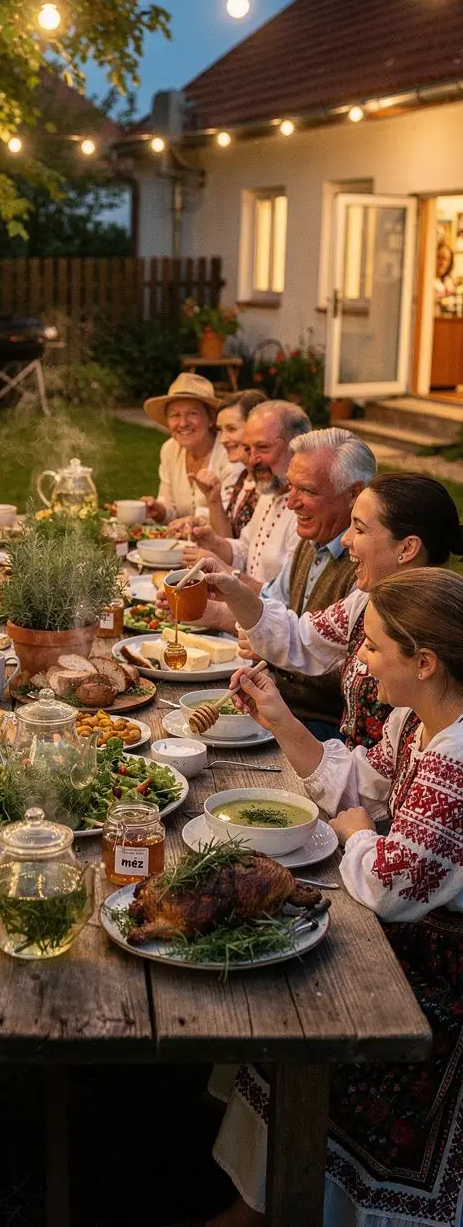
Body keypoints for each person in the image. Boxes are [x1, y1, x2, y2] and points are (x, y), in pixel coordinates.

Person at [207, 569, 463, 1227]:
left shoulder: (455, 760)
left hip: (445, 973)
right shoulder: (418, 720)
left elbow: (391, 887)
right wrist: (279, 714)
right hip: (416, 933)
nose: (362, 661)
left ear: (425, 662)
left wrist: (355, 838)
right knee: (277, 961)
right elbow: (361, 783)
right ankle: (261, 1199)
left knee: (301, 997)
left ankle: (296, 1206)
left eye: (374, 648)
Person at [207, 472, 463, 755]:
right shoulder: (366, 601)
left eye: (360, 529)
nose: (346, 539)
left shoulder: (436, 626)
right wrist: (234, 592)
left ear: (407, 548)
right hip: (358, 773)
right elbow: (299, 638)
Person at [195, 428, 377, 738]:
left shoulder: (370, 570)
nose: (291, 502)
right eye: (290, 487)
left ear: (354, 494)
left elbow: (321, 654)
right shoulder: (312, 539)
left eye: (307, 490)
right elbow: (273, 610)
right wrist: (212, 611)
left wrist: (261, 644)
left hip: (324, 728)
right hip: (280, 706)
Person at [184, 401, 310, 591]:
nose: (252, 460)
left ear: (298, 447)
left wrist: (227, 571)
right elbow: (245, 549)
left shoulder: (309, 511)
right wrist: (213, 543)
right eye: (248, 449)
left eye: (263, 448)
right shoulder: (269, 492)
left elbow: (286, 598)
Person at [140, 374, 234, 526]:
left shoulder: (228, 452)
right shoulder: (169, 449)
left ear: (211, 419)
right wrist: (159, 510)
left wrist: (194, 521)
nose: (183, 423)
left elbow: (230, 514)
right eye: (175, 415)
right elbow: (169, 504)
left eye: (192, 413)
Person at [205, 389, 267, 538]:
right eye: (220, 430)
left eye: (231, 429)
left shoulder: (272, 484)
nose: (223, 439)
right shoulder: (245, 477)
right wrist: (213, 500)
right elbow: (227, 539)